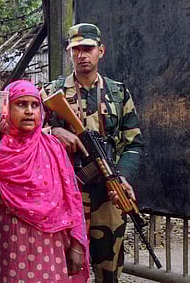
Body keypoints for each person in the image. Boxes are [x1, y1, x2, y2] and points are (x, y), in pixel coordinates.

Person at [0, 80, 89, 282]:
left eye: (34, 105)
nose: (29, 111)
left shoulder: (52, 146)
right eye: (21, 104)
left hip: (51, 249)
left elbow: (72, 196)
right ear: (7, 108)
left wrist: (77, 243)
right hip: (5, 250)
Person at [41, 23, 145, 283]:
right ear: (68, 53)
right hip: (65, 192)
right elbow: (28, 133)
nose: (82, 55)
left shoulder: (118, 92)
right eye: (76, 50)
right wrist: (53, 132)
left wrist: (121, 176)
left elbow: (134, 142)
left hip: (106, 193)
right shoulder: (51, 93)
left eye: (88, 49)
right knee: (64, 268)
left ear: (101, 51)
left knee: (108, 270)